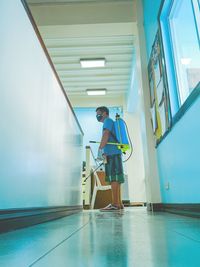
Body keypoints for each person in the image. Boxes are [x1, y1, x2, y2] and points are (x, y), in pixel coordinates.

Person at [96, 106, 124, 211]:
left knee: (114, 179)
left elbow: (106, 134)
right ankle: (119, 203)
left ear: (105, 113)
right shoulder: (109, 121)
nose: (97, 116)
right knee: (116, 178)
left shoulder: (107, 121)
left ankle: (115, 204)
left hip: (112, 154)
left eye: (98, 113)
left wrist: (100, 149)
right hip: (114, 153)